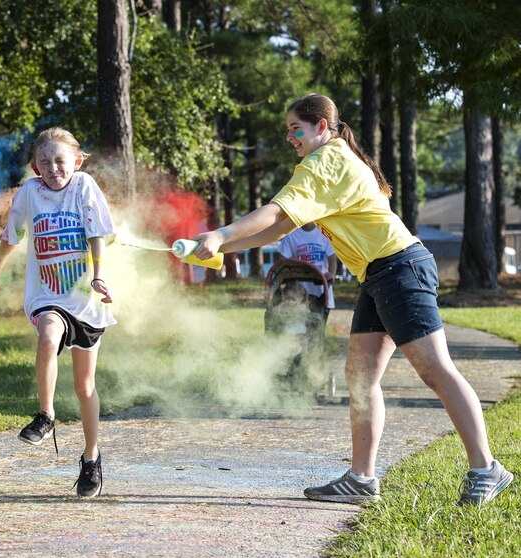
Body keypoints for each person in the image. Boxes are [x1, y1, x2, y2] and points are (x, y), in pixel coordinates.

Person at [192, 93, 513, 506]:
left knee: (435, 369)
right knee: (361, 377)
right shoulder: (329, 162)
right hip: (380, 274)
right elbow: (280, 226)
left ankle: (486, 468)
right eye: (288, 130)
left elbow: (274, 211)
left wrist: (220, 233)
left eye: (297, 128)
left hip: (400, 268)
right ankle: (361, 479)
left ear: (322, 126)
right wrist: (223, 247)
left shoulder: (325, 162)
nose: (291, 137)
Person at [0, 127, 115, 498]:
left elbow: (96, 234)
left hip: (85, 300)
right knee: (48, 335)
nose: (52, 167)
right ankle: (46, 415)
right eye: (44, 162)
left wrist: (98, 276)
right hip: (48, 295)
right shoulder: (30, 193)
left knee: (84, 386)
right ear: (35, 167)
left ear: (75, 162)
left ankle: (91, 459)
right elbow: (12, 235)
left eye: (59, 160)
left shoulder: (84, 187)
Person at [278, 222, 337, 311]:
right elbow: (283, 261)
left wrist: (332, 275)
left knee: (318, 322)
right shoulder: (291, 235)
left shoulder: (324, 232)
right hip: (298, 290)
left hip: (321, 288)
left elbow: (332, 258)